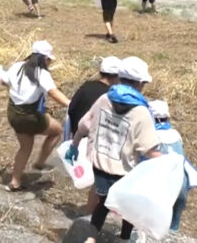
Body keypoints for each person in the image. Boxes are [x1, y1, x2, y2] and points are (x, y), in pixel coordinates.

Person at [67, 56, 162, 242]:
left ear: (120, 78)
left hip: (100, 167)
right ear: (140, 84)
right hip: (124, 172)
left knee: (103, 203)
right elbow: (148, 149)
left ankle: (91, 239)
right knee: (130, 209)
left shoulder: (104, 99)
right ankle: (124, 239)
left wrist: (74, 144)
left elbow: (84, 124)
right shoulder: (141, 112)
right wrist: (167, 162)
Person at [0, 40, 70, 191]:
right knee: (57, 130)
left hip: (13, 114)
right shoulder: (41, 73)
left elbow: (3, 81)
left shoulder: (17, 66)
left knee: (25, 147)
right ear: (44, 59)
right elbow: (52, 92)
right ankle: (40, 162)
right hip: (29, 115)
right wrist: (70, 104)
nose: (50, 62)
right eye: (49, 59)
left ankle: (15, 181)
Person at [66, 56, 121, 213]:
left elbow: (71, 108)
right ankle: (93, 214)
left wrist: (74, 136)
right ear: (117, 76)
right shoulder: (111, 96)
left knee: (96, 182)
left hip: (80, 135)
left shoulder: (86, 86)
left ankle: (92, 212)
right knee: (101, 182)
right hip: (99, 142)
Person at [149, 100, 190, 234]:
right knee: (173, 230)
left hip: (164, 189)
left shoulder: (153, 136)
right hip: (182, 186)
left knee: (154, 229)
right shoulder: (176, 134)